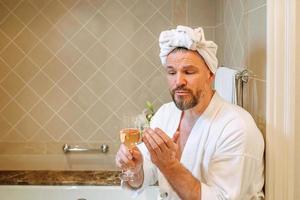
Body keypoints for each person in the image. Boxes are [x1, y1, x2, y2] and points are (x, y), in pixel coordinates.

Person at [115, 25, 264, 200]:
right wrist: (135, 168)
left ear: (210, 74)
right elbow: (145, 174)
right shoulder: (166, 114)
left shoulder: (237, 128)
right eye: (171, 72)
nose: (179, 81)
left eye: (189, 71)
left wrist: (169, 165)